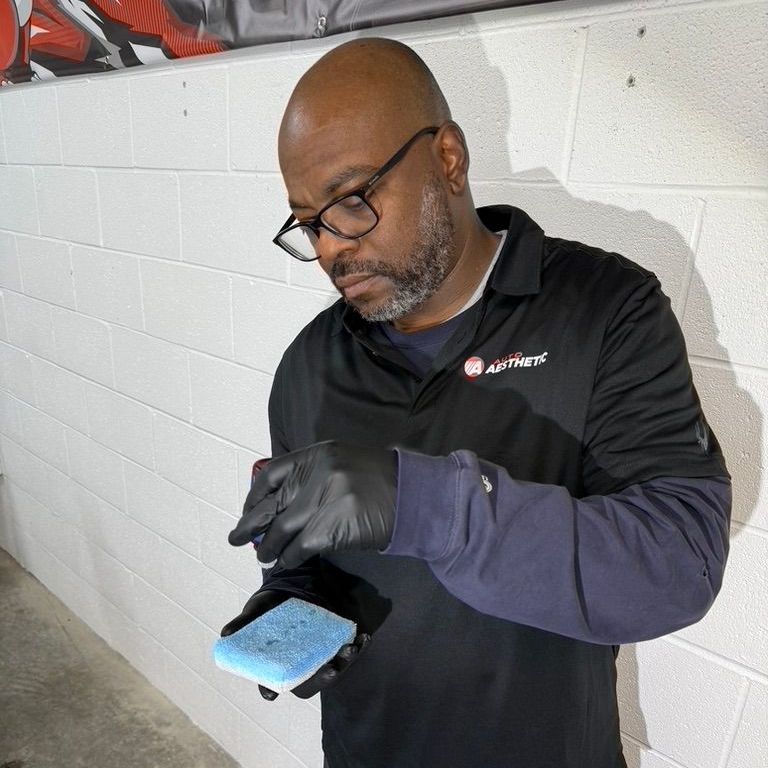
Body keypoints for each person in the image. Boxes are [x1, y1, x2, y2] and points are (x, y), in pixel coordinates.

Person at [221, 38, 731, 768]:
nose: (331, 248)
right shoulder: (307, 366)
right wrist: (291, 600)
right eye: (308, 222)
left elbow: (679, 566)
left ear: (448, 159)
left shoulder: (606, 310)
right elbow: (310, 556)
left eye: (353, 201)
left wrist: (426, 506)